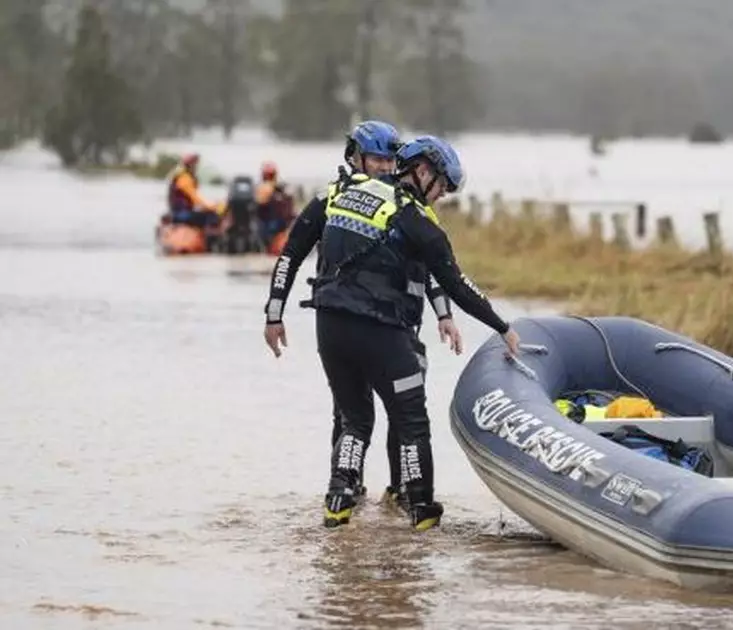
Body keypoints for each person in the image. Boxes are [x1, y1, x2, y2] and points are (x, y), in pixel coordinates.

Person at [263, 126, 517, 532]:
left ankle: (338, 501)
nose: (442, 197)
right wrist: (502, 326)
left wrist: (274, 314)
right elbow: (454, 279)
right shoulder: (414, 215)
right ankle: (421, 514)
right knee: (412, 421)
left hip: (330, 328)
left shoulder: (338, 197)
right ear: (423, 173)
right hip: (383, 332)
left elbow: (290, 254)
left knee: (354, 418)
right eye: (443, 188)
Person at [165, 153, 219, 227]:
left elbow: (195, 200)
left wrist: (210, 205)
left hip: (181, 212)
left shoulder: (184, 176)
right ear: (189, 165)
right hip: (181, 214)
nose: (196, 167)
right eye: (194, 165)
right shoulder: (184, 178)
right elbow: (195, 198)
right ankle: (211, 237)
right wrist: (211, 207)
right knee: (212, 215)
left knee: (204, 212)